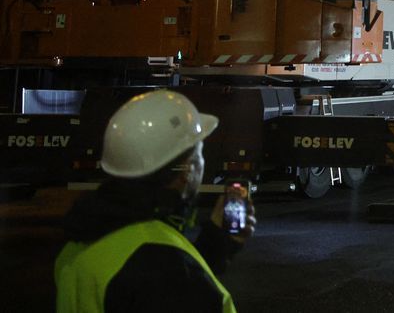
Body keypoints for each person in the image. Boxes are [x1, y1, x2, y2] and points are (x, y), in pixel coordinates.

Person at [55, 89, 254, 311]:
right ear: (187, 171)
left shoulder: (80, 242)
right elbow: (169, 283)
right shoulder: (168, 269)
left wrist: (214, 246)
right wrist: (188, 267)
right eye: (199, 154)